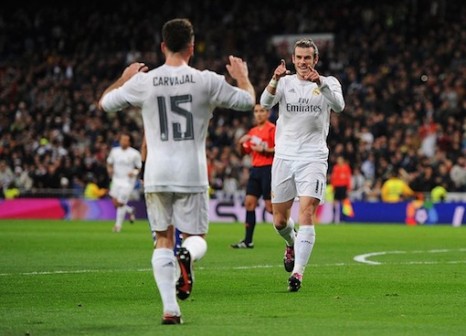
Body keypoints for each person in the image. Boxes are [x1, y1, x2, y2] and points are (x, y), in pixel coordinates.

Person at [98, 18, 255, 324]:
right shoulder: (206, 80)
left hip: (156, 173)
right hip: (191, 173)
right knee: (196, 236)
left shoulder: (144, 82)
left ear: (162, 46)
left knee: (162, 239)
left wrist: (123, 77)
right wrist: (242, 77)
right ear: (192, 48)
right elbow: (249, 101)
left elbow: (105, 103)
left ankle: (170, 309)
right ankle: (188, 256)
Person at [260, 39, 345, 292]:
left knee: (306, 211)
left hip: (313, 157)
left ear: (315, 60)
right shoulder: (284, 83)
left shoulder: (329, 83)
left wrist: (320, 82)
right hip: (284, 156)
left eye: (307, 58)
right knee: (279, 221)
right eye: (298, 57)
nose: (303, 62)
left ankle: (298, 274)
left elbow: (339, 106)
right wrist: (274, 79)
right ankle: (291, 242)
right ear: (293, 59)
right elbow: (264, 104)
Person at [231, 104, 275, 248]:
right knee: (249, 203)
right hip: (255, 169)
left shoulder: (272, 129)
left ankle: (292, 232)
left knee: (270, 208)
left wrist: (264, 149)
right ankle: (248, 241)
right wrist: (240, 143)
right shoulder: (253, 132)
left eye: (262, 111)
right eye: (256, 111)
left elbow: (279, 148)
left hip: (268, 169)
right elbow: (243, 153)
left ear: (267, 113)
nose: (258, 114)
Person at [106, 133, 142, 232]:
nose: (123, 142)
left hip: (128, 182)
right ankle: (130, 210)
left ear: (129, 142)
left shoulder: (134, 153)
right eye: (122, 140)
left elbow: (139, 167)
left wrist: (134, 172)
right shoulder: (114, 151)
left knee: (121, 202)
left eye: (126, 140)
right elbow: (109, 162)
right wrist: (109, 169)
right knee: (115, 203)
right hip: (116, 180)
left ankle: (118, 226)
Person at [329, 155, 352, 223]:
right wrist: (333, 187)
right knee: (335, 202)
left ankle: (343, 218)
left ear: (343, 160)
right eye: (338, 160)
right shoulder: (335, 167)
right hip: (337, 187)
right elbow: (333, 178)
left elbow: (348, 178)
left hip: (343, 187)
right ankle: (333, 218)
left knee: (343, 202)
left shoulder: (346, 167)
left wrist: (348, 188)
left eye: (340, 160)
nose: (339, 161)